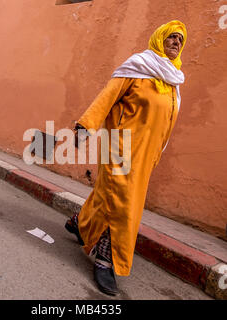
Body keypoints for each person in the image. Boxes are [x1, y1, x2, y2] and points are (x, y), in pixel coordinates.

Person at [65, 20, 187, 296]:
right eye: (172, 37)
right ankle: (106, 260)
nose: (176, 42)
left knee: (108, 194)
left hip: (145, 155)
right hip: (119, 146)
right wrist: (86, 126)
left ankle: (79, 222)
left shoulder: (173, 81)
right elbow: (108, 96)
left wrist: (156, 153)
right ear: (159, 38)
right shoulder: (138, 66)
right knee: (123, 202)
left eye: (181, 40)